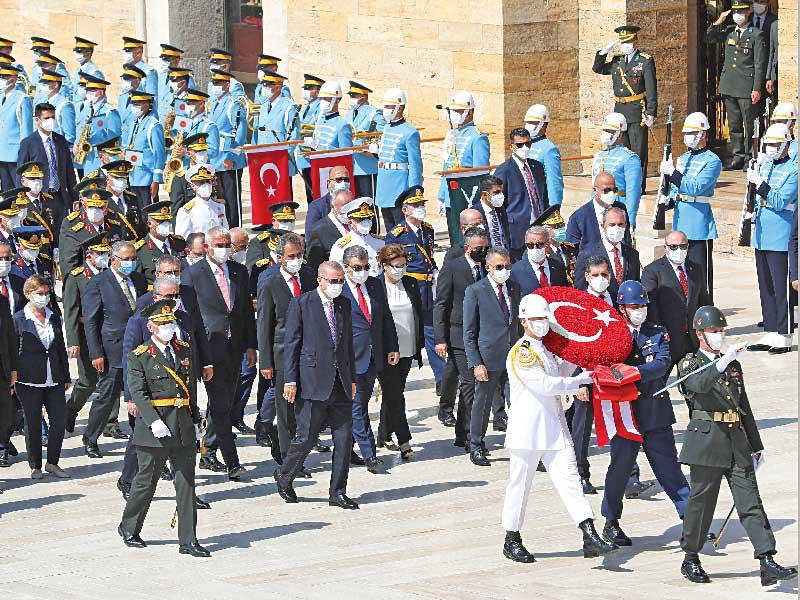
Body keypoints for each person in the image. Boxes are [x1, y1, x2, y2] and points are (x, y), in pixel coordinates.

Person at [677, 306, 797, 586]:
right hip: (706, 441)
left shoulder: (732, 364)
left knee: (750, 501)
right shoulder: (689, 363)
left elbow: (744, 407)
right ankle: (691, 556)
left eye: (721, 331)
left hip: (735, 440)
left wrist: (756, 445)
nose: (718, 336)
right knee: (701, 503)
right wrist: (722, 360)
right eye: (713, 331)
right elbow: (699, 385)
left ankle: (766, 559)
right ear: (699, 333)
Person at [501, 294, 616, 563]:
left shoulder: (546, 350)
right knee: (520, 485)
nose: (542, 324)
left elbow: (561, 371)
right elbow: (545, 384)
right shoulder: (522, 353)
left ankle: (589, 532)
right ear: (523, 321)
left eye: (544, 319)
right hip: (527, 432)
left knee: (570, 480)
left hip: (554, 428)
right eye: (536, 319)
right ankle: (512, 538)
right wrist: (580, 381)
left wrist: (582, 351)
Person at [600, 281, 691, 547]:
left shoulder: (656, 332)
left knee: (670, 470)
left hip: (654, 412)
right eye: (634, 306)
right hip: (625, 414)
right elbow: (606, 366)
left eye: (642, 306)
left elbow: (662, 363)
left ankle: (691, 520)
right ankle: (611, 522)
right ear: (622, 307)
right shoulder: (611, 334)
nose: (639, 310)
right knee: (619, 471)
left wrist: (634, 372)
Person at [118, 299, 210, 558]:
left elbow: (189, 388)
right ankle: (129, 527)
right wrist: (153, 421)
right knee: (146, 482)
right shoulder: (139, 356)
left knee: (186, 483)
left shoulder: (182, 349)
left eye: (171, 322)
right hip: (154, 428)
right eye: (163, 323)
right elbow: (138, 392)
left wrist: (195, 418)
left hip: (181, 426)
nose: (169, 327)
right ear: (151, 326)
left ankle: (188, 540)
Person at [275, 261, 359, 510]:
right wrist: (290, 380)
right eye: (333, 281)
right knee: (306, 438)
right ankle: (284, 476)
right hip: (312, 382)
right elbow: (291, 345)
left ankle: (338, 492)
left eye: (341, 280)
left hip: (340, 382)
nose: (337, 285)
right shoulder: (302, 304)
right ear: (320, 280)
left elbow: (347, 345)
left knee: (344, 439)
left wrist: (352, 378)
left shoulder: (343, 304)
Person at [181, 226, 256, 481]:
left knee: (223, 402)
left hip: (234, 347)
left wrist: (249, 345)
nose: (225, 249)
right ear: (207, 247)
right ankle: (231, 461)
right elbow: (190, 317)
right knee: (221, 404)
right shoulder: (193, 274)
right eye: (220, 244)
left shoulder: (238, 271)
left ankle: (208, 449)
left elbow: (245, 311)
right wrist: (196, 355)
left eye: (228, 244)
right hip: (209, 349)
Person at [82, 240, 147, 457]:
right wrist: (96, 353)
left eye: (133, 259)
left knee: (138, 392)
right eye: (125, 259)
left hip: (139, 346)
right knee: (107, 396)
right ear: (113, 259)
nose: (130, 263)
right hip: (112, 350)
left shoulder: (137, 279)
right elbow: (91, 321)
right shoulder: (99, 283)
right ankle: (91, 437)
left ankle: (140, 437)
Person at [257, 232, 317, 463]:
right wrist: (266, 362)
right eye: (291, 256)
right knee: (285, 409)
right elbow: (264, 324)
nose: (296, 260)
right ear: (280, 257)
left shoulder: (309, 276)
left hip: (308, 351)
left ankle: (300, 449)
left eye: (300, 255)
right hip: (282, 353)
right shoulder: (269, 280)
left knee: (306, 407)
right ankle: (287, 458)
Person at [341, 245, 399, 472]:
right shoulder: (340, 289)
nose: (362, 271)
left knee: (359, 406)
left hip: (374, 356)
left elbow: (385, 318)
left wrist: (392, 346)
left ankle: (347, 448)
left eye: (365, 267)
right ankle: (370, 455)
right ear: (346, 268)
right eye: (357, 267)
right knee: (358, 408)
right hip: (351, 359)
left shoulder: (374, 284)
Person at [463, 247, 522, 466]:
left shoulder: (515, 288)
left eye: (507, 266)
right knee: (483, 403)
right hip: (488, 359)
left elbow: (517, 324)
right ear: (488, 267)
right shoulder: (475, 291)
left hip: (513, 357)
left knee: (516, 403)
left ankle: (522, 445)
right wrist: (476, 362)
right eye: (499, 267)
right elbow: (469, 332)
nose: (504, 270)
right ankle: (476, 444)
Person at [385, 186, 445, 390]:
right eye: (415, 205)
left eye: (421, 204)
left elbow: (429, 257)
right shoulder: (397, 234)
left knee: (431, 330)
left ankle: (441, 378)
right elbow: (391, 261)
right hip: (410, 287)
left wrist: (435, 272)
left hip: (428, 286)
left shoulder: (428, 229)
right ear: (405, 210)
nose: (420, 208)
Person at [745, 123, 797, 354]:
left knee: (781, 288)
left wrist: (760, 184)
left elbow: (779, 201)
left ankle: (784, 335)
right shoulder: (766, 166)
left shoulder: (794, 170)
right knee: (765, 286)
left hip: (780, 235)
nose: (772, 148)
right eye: (770, 144)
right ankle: (771, 330)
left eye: (777, 145)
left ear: (786, 144)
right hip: (762, 234)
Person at [434, 228, 489, 448]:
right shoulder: (453, 268)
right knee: (469, 385)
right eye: (478, 249)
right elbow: (441, 304)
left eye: (485, 248)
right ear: (467, 248)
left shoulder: (488, 267)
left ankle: (466, 433)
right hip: (458, 335)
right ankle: (466, 434)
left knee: (478, 385)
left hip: (482, 334)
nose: (483, 252)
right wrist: (440, 338)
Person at [659, 112, 721, 301]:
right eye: (686, 132)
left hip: (698, 222)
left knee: (701, 276)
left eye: (692, 132)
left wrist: (673, 173)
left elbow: (695, 187)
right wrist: (667, 200)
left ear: (703, 134)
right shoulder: (683, 158)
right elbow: (677, 189)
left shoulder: (712, 160)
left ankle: (705, 309)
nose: (687, 136)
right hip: (681, 220)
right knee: (681, 272)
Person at [12, 275, 69, 480]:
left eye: (47, 293)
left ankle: (53, 462)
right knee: (33, 423)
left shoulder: (53, 315)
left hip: (53, 376)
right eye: (40, 294)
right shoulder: (19, 318)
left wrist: (66, 375)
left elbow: (60, 347)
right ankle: (35, 465)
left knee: (59, 421)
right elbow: (12, 349)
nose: (44, 297)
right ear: (28, 294)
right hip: (28, 378)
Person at [593, 26, 657, 194]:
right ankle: (624, 184)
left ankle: (638, 187)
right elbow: (598, 68)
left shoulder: (645, 61)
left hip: (637, 111)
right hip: (619, 111)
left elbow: (651, 89)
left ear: (636, 41)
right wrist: (603, 52)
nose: (625, 45)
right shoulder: (617, 60)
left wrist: (651, 112)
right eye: (623, 42)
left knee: (637, 152)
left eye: (628, 41)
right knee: (622, 150)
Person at [705, 0, 767, 171]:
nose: (738, 15)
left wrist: (756, 88)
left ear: (748, 12)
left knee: (748, 125)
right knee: (734, 125)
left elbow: (759, 64)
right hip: (729, 85)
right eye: (735, 12)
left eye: (741, 12)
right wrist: (719, 21)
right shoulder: (730, 32)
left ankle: (749, 157)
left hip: (746, 87)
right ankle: (738, 156)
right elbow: (709, 37)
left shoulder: (756, 34)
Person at [376, 244, 423, 457]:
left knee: (393, 392)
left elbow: (418, 314)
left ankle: (383, 433)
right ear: (385, 266)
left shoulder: (411, 284)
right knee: (396, 395)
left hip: (407, 347)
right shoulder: (376, 286)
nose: (401, 270)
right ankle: (404, 440)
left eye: (404, 265)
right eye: (396, 266)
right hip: (386, 350)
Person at [641, 230, 712, 367]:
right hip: (668, 340)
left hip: (692, 340)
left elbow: (704, 301)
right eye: (673, 246)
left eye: (682, 246)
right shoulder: (652, 271)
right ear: (665, 248)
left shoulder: (696, 269)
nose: (678, 250)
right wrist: (659, 333)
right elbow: (650, 307)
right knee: (658, 383)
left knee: (695, 383)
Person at [63, 233, 110, 433]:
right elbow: (70, 310)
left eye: (106, 252)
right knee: (89, 380)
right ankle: (71, 410)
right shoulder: (77, 277)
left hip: (107, 330)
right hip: (85, 332)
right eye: (100, 253)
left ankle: (111, 422)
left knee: (111, 378)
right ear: (89, 255)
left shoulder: (109, 273)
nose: (104, 256)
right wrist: (73, 340)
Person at [374, 88, 423, 230]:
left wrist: (414, 189)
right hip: (384, 183)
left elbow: (415, 163)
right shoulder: (387, 128)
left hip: (399, 185)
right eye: (386, 106)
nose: (386, 110)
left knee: (401, 225)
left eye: (390, 107)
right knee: (389, 226)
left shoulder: (410, 132)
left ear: (400, 108)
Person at [208, 69, 247, 228]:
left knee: (232, 199)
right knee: (220, 197)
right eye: (213, 83)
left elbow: (240, 133)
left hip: (229, 158)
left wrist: (232, 157)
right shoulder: (214, 104)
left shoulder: (234, 104)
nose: (215, 86)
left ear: (227, 85)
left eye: (218, 83)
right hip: (216, 157)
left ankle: (235, 229)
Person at [574, 205, 641, 298]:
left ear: (626, 225)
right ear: (603, 226)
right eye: (612, 224)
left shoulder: (632, 254)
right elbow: (580, 288)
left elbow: (635, 285)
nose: (617, 228)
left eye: (620, 224)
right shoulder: (587, 253)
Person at [591, 113, 642, 230]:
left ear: (620, 134)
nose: (606, 133)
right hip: (598, 208)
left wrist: (630, 219)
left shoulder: (629, 158)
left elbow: (633, 192)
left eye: (610, 131)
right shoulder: (599, 155)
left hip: (617, 205)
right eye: (605, 130)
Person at [58, 188, 127, 275]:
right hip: (87, 279)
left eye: (99, 207)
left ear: (106, 210)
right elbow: (69, 264)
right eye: (91, 207)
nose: (95, 210)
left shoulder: (115, 227)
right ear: (85, 207)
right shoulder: (75, 231)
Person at [120, 91, 165, 213]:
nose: (134, 107)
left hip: (146, 178)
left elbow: (159, 155)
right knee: (136, 214)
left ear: (146, 105)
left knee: (147, 215)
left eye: (137, 104)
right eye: (132, 103)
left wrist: (156, 180)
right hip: (133, 176)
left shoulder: (154, 125)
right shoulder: (134, 123)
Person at [566, 172, 631, 252]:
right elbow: (572, 249)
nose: (611, 193)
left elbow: (627, 238)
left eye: (614, 190)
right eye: (606, 190)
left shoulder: (621, 208)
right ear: (595, 190)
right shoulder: (579, 217)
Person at [74, 73, 122, 178]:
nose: (87, 93)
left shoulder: (110, 112)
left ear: (100, 92)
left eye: (91, 91)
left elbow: (115, 138)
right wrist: (78, 143)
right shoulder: (89, 111)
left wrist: (92, 140)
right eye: (87, 90)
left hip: (103, 162)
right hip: (89, 161)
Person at [346, 80, 386, 199]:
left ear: (363, 97)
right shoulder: (350, 113)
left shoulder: (374, 113)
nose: (351, 98)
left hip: (368, 166)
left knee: (369, 205)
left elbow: (381, 136)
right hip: (353, 164)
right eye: (351, 96)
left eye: (354, 96)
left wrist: (369, 148)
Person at [168, 128, 220, 215]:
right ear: (188, 154)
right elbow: (176, 212)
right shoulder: (181, 179)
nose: (202, 154)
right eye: (198, 151)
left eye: (204, 151)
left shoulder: (213, 175)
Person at [329, 197, 385, 276]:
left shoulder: (381, 242)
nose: (365, 222)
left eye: (368, 218)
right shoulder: (341, 246)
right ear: (350, 221)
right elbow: (336, 273)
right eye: (360, 219)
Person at [134, 201, 186, 286]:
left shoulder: (179, 243)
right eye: (160, 221)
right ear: (149, 224)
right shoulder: (140, 250)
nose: (165, 224)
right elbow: (138, 281)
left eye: (167, 220)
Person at [510, 225, 569, 297]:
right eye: (530, 245)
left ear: (547, 244)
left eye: (540, 244)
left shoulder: (558, 266)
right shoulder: (515, 271)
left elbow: (565, 292)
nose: (535, 248)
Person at [0, 63, 33, 191]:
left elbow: (26, 131)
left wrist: (24, 155)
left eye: (3, 77)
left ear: (13, 79)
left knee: (17, 190)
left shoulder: (22, 99)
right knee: (5, 190)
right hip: (2, 152)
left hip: (15, 154)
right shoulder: (1, 96)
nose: (1, 79)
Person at [16, 161, 63, 249]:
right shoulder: (18, 203)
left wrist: (57, 247)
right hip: (28, 248)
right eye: (32, 179)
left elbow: (57, 227)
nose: (36, 182)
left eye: (39, 178)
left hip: (48, 249)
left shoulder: (51, 200)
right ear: (23, 181)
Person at [523, 104, 563, 206]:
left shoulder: (549, 149)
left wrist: (554, 209)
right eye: (527, 122)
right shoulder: (522, 144)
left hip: (538, 202)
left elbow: (554, 182)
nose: (529, 125)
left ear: (544, 125)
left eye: (533, 123)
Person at [175, 164, 227, 238]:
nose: (206, 185)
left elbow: (225, 230)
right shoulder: (186, 211)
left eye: (208, 181)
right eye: (201, 182)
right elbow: (183, 238)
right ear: (193, 186)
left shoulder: (219, 206)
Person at [294, 74, 324, 202]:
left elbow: (319, 128)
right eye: (305, 87)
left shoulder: (321, 107)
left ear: (318, 91)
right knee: (309, 190)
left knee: (317, 190)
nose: (306, 91)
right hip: (304, 154)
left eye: (309, 88)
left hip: (314, 153)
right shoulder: (304, 107)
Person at [252, 70, 299, 151]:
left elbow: (294, 136)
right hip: (262, 156)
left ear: (277, 88)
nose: (264, 88)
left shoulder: (289, 107)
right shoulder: (264, 106)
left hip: (279, 158)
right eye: (263, 85)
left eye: (267, 86)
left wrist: (284, 155)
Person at [100, 159, 145, 240]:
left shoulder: (133, 198)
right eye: (117, 178)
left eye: (124, 178)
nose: (121, 181)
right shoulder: (101, 200)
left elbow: (141, 228)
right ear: (107, 179)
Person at [305, 164, 352, 232]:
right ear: (329, 183)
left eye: (346, 179)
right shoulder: (316, 207)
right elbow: (311, 235)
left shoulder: (356, 203)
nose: (343, 183)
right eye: (339, 179)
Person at [35, 70, 76, 147]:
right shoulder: (43, 102)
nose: (42, 86)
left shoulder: (65, 105)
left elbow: (70, 136)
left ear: (55, 85)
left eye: (46, 83)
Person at [473, 174, 510, 252]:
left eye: (501, 192)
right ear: (485, 194)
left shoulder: (501, 210)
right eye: (497, 192)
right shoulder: (474, 213)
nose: (500, 195)